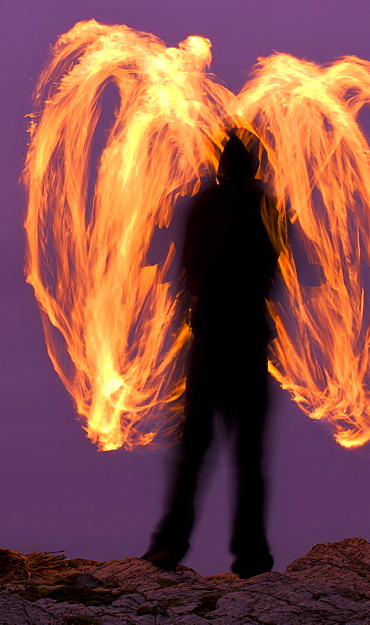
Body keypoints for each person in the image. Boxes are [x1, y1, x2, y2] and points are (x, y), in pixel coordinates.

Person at [143, 130, 281, 579]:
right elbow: (294, 268)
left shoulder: (203, 207)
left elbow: (185, 267)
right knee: (248, 457)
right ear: (255, 167)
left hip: (208, 342)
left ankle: (168, 546)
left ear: (222, 166)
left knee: (193, 452)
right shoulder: (268, 208)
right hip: (247, 343)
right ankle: (252, 558)